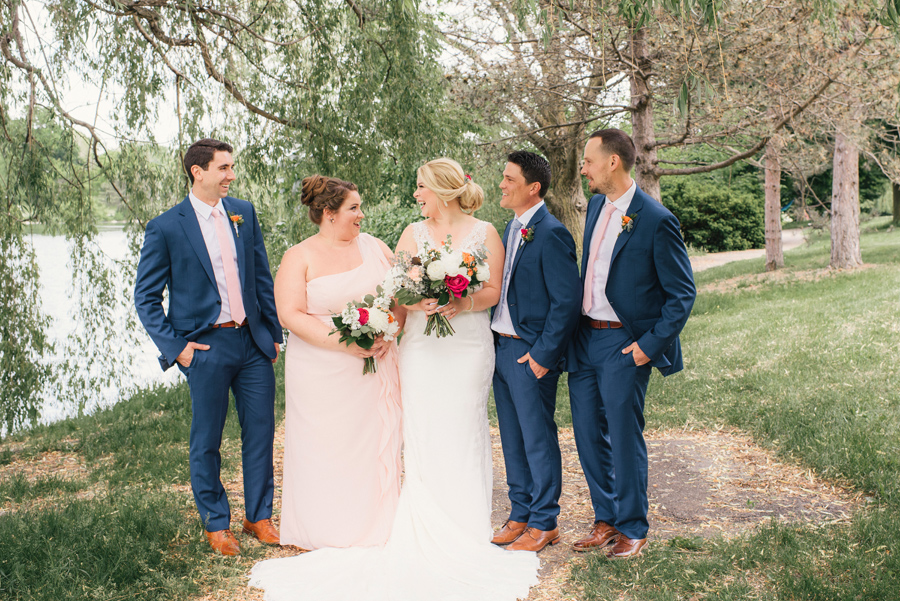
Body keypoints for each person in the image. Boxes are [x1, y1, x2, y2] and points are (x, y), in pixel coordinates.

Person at [249, 159, 540, 601]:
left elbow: (493, 291)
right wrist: (420, 300)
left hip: (466, 344)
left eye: (420, 186)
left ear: (442, 189)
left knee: (464, 429)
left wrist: (460, 302)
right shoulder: (410, 234)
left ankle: (464, 525)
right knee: (419, 432)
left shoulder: (486, 232)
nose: (415, 194)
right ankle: (417, 522)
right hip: (422, 345)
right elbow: (398, 289)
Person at [134, 138, 283, 556]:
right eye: (223, 168)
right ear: (197, 172)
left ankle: (258, 516)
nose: (231, 175)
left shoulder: (243, 213)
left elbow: (260, 276)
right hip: (205, 346)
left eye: (232, 167)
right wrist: (176, 348)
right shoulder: (165, 226)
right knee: (207, 438)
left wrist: (271, 333)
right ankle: (217, 524)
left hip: (252, 342)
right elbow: (145, 297)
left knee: (261, 432)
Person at [568, 128, 696, 558]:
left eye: (588, 160)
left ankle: (633, 526)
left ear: (613, 162)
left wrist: (648, 346)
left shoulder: (657, 220)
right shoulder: (594, 208)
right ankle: (605, 519)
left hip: (625, 343)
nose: (583, 168)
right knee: (587, 433)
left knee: (623, 435)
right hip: (584, 338)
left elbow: (682, 295)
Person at [273, 175, 401, 550]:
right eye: (353, 208)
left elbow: (398, 299)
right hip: (320, 371)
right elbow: (290, 314)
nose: (362, 214)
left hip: (374, 364)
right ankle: (325, 529)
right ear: (329, 213)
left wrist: (388, 332)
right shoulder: (299, 256)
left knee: (370, 442)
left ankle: (376, 523)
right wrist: (344, 345)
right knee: (324, 446)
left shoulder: (376, 247)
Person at [489, 151, 582, 553]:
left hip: (530, 355)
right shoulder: (511, 228)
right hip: (500, 350)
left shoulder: (552, 232)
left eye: (509, 179)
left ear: (533, 188)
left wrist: (543, 355)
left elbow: (566, 302)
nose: (502, 184)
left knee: (537, 439)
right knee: (511, 437)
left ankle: (545, 522)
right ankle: (520, 513)